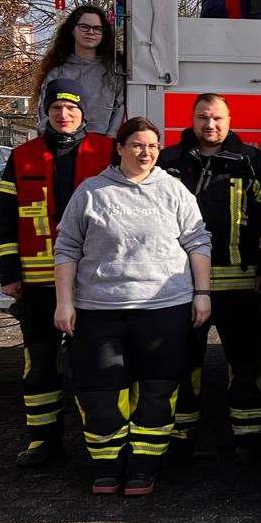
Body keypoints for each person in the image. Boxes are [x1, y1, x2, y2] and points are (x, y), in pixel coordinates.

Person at [53, 117, 212, 497]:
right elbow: (67, 248)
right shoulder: (91, 192)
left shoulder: (173, 191)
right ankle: (108, 466)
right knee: (100, 395)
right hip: (98, 311)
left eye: (153, 146)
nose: (146, 153)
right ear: (120, 148)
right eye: (138, 145)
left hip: (164, 310)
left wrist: (202, 292)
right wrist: (64, 303)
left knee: (158, 393)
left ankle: (144, 466)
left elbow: (198, 242)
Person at [0, 79, 116, 467]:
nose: (64, 115)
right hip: (38, 284)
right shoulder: (23, 156)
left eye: (71, 108)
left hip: (92, 281)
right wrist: (8, 273)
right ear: (46, 112)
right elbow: (5, 220)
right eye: (56, 109)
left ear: (83, 112)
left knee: (91, 365)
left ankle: (96, 441)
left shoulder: (107, 150)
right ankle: (43, 441)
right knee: (40, 364)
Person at [157, 93, 261, 460]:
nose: (211, 125)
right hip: (180, 283)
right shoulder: (169, 162)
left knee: (245, 361)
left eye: (218, 118)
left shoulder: (252, 161)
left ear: (229, 120)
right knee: (183, 361)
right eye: (204, 118)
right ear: (192, 120)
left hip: (240, 283)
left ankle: (249, 435)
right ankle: (181, 434)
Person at [34, 4, 125, 136]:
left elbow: (120, 110)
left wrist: (110, 140)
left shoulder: (113, 71)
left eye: (97, 28)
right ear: (72, 30)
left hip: (100, 144)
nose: (91, 32)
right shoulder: (57, 71)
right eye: (84, 27)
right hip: (62, 144)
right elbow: (44, 113)